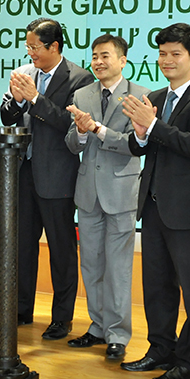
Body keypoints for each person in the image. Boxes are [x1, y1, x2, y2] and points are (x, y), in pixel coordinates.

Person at [120, 22, 190, 379]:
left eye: (175, 54)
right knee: (157, 286)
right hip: (152, 207)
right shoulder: (155, 97)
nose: (167, 60)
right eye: (162, 54)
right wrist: (140, 132)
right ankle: (160, 349)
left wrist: (152, 125)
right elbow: (139, 147)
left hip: (187, 210)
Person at [0, 17, 94, 340]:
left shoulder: (79, 78)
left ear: (54, 46)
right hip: (23, 172)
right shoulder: (24, 73)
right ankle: (20, 309)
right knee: (22, 246)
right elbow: (7, 117)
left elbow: (69, 124)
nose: (30, 53)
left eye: (35, 47)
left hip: (58, 175)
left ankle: (62, 318)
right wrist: (16, 99)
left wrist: (35, 99)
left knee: (61, 250)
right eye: (27, 47)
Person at [65, 34, 149, 360]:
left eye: (105, 56)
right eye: (95, 56)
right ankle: (97, 326)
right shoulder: (82, 94)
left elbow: (134, 144)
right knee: (91, 265)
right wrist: (81, 132)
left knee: (118, 268)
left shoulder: (140, 96)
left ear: (123, 61)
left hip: (121, 192)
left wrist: (97, 129)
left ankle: (118, 334)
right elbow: (72, 144)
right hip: (88, 192)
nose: (98, 62)